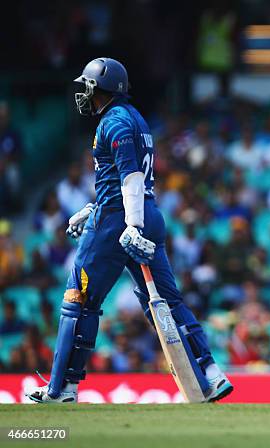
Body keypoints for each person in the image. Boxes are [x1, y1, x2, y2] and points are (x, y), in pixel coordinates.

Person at [27, 57, 232, 403]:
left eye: (87, 87)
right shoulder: (135, 118)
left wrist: (129, 224)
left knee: (77, 301)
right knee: (167, 300)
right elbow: (125, 177)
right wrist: (95, 208)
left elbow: (131, 177)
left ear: (100, 88)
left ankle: (62, 388)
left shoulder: (115, 121)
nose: (84, 94)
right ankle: (210, 373)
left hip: (117, 220)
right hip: (143, 213)